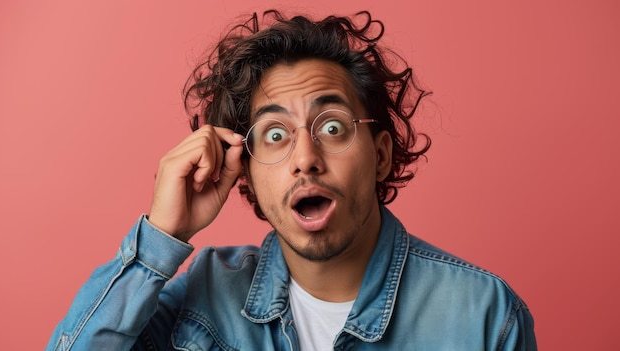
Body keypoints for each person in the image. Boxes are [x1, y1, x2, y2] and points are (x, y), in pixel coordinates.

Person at [47, 10, 537, 350]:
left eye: (331, 127)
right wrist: (161, 237)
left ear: (382, 155)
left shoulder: (485, 315)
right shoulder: (205, 294)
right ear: (246, 172)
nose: (305, 158)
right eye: (275, 134)